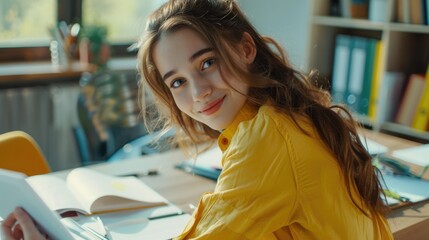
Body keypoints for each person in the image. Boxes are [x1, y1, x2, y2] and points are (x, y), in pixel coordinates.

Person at [2, 0, 393, 239]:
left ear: (244, 48)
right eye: (177, 82)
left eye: (207, 62)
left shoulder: (268, 140)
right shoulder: (290, 115)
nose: (198, 91)